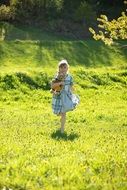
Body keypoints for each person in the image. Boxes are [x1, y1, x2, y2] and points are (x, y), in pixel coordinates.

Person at [51, 59, 79, 134]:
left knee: (64, 113)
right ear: (59, 68)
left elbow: (71, 85)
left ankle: (62, 130)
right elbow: (52, 85)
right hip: (58, 96)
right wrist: (60, 83)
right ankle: (60, 116)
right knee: (57, 113)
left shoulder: (69, 77)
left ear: (67, 68)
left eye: (65, 67)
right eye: (61, 67)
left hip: (66, 96)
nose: (63, 69)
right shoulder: (56, 77)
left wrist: (72, 91)